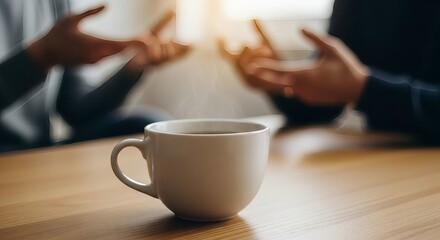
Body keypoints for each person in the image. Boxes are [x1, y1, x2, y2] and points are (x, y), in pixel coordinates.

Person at [220, 0, 440, 143]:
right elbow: (325, 101)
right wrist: (280, 78)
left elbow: (356, 87)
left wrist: (364, 88)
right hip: (380, 155)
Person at [0, 1, 190, 152]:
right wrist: (41, 56)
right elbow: (45, 54)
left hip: (38, 147)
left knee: (149, 126)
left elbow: (78, 111)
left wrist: (135, 65)